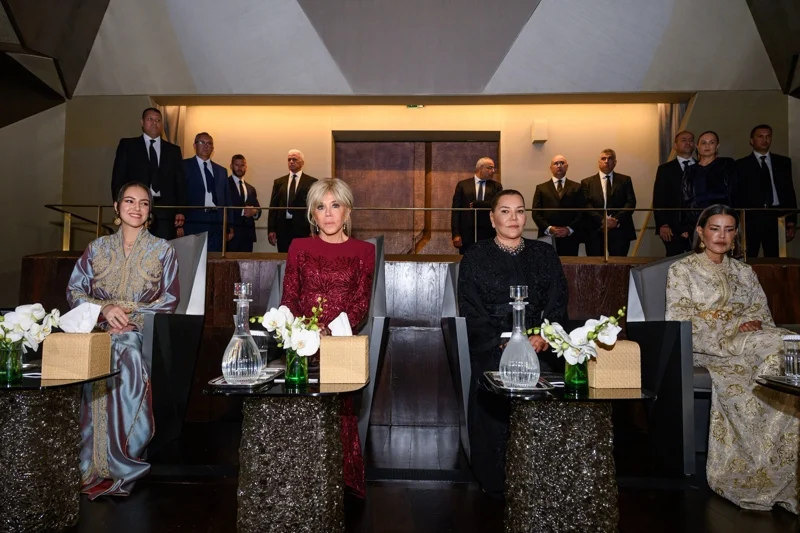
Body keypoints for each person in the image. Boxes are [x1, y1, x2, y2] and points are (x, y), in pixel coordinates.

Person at [666, 204, 798, 513]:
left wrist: (750, 326)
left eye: (728, 230)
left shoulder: (745, 272)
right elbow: (679, 319)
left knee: (784, 348)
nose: (721, 236)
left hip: (751, 345)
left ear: (736, 235)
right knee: (778, 346)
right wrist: (732, 328)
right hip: (707, 349)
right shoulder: (682, 270)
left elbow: (761, 314)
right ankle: (748, 473)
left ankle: (782, 469)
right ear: (701, 232)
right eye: (714, 228)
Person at [66, 181, 180, 500]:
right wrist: (105, 311)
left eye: (143, 203)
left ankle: (122, 456)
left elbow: (169, 300)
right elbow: (74, 291)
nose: (136, 208)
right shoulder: (97, 248)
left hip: (140, 331)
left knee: (125, 349)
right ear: (116, 207)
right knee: (101, 349)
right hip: (97, 328)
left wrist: (131, 319)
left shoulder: (163, 250)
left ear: (149, 211)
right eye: (129, 201)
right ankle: (90, 461)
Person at [457, 189, 568, 498]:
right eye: (505, 211)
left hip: (538, 344)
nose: (513, 218)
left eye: (519, 211)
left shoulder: (544, 254)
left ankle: (540, 477)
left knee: (550, 383)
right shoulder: (475, 255)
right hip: (492, 345)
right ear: (492, 218)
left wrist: (545, 335)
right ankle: (497, 480)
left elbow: (558, 302)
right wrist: (500, 342)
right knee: (494, 385)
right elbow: (470, 308)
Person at [280, 178, 375, 498]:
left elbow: (360, 304)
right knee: (299, 411)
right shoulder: (299, 247)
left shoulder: (364, 251)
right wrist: (305, 331)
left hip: (341, 342)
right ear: (313, 214)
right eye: (321, 207)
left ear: (347, 211)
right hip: (301, 342)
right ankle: (300, 481)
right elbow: (289, 297)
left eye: (336, 206)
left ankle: (339, 481)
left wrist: (328, 332)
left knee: (339, 410)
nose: (329, 213)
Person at [111, 108, 186, 240]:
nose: (154, 123)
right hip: (135, 208)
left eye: (158, 120)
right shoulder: (128, 146)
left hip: (165, 209)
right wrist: (119, 204)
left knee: (163, 247)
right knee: (135, 245)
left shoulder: (173, 150)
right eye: (150, 119)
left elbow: (179, 182)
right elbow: (118, 178)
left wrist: (180, 210)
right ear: (142, 122)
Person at [736, 124, 797, 257]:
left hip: (777, 216)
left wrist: (791, 220)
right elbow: (737, 195)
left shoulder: (783, 162)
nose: (765, 140)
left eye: (768, 136)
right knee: (749, 256)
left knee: (775, 257)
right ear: (752, 141)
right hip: (752, 217)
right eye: (760, 136)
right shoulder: (741, 165)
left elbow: (789, 191)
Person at [678, 131, 739, 240]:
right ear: (697, 146)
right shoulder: (690, 170)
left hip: (721, 220)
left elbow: (735, 194)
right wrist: (683, 225)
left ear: (717, 146)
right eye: (703, 143)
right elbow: (684, 198)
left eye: (711, 142)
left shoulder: (727, 164)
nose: (707, 146)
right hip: (695, 222)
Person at [181, 132, 232, 252]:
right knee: (194, 258)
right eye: (202, 142)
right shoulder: (184, 166)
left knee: (215, 259)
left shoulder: (221, 171)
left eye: (209, 143)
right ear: (194, 145)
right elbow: (178, 194)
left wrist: (229, 225)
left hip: (216, 222)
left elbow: (227, 200)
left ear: (213, 148)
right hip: (193, 221)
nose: (206, 145)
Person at [581, 149, 637, 256]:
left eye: (610, 158)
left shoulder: (625, 180)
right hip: (595, 229)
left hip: (620, 229)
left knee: (619, 263)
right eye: (603, 158)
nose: (606, 161)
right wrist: (602, 220)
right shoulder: (587, 182)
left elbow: (631, 202)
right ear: (599, 162)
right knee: (595, 263)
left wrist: (615, 220)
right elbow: (586, 205)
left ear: (615, 162)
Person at [531, 155, 585, 256]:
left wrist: (569, 229)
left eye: (562, 163)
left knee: (569, 265)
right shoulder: (541, 188)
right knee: (546, 264)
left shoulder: (577, 187)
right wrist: (549, 228)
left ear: (567, 166)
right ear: (551, 168)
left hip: (570, 237)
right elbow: (536, 213)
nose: (559, 166)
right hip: (547, 236)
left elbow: (581, 212)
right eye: (556, 163)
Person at [653, 131, 695, 256]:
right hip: (672, 227)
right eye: (684, 140)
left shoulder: (701, 167)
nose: (688, 142)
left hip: (696, 226)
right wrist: (663, 224)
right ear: (675, 145)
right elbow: (659, 198)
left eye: (691, 140)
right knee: (673, 260)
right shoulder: (665, 169)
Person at [268, 150, 317, 252]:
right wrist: (271, 229)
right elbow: (273, 207)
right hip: (283, 228)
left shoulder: (311, 182)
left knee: (302, 257)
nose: (291, 162)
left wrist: (313, 230)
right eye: (289, 159)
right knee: (284, 257)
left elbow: (314, 208)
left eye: (294, 159)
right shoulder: (279, 182)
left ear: (302, 162)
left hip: (303, 228)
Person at [451, 157, 503, 255]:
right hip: (467, 233)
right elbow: (456, 211)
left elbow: (499, 205)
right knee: (468, 261)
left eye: (494, 168)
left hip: (489, 233)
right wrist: (456, 234)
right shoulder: (463, 185)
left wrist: (479, 204)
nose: (493, 171)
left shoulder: (496, 186)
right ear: (480, 168)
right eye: (490, 168)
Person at [226, 154, 261, 252]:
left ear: (246, 167)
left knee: (247, 262)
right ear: (231, 166)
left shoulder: (251, 188)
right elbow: (223, 208)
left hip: (247, 236)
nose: (239, 168)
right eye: (237, 165)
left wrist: (254, 212)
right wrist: (243, 211)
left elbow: (258, 209)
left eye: (242, 165)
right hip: (231, 234)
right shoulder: (225, 185)